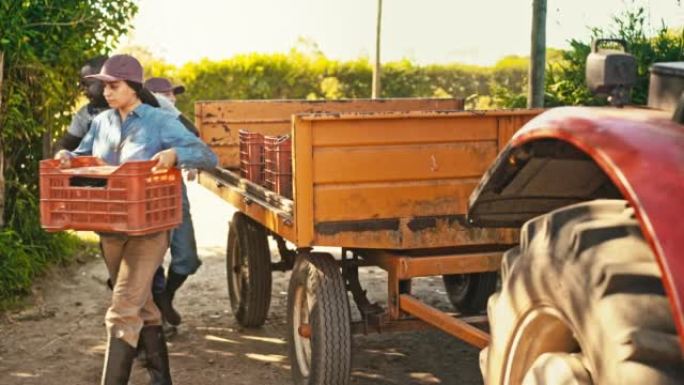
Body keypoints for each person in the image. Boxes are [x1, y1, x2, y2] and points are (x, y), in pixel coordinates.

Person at [54, 54, 217, 385]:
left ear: (134, 87)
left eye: (114, 85)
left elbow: (207, 154)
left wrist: (175, 155)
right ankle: (161, 379)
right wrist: (68, 157)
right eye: (105, 85)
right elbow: (86, 154)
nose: (107, 92)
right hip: (109, 227)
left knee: (122, 309)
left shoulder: (158, 121)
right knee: (142, 305)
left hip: (149, 229)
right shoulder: (101, 122)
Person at [143, 76, 201, 331]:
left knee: (186, 257)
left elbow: (193, 136)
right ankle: (155, 317)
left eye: (173, 94)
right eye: (167, 94)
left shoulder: (171, 116)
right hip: (140, 192)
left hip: (172, 189)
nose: (173, 98)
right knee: (147, 262)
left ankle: (166, 298)